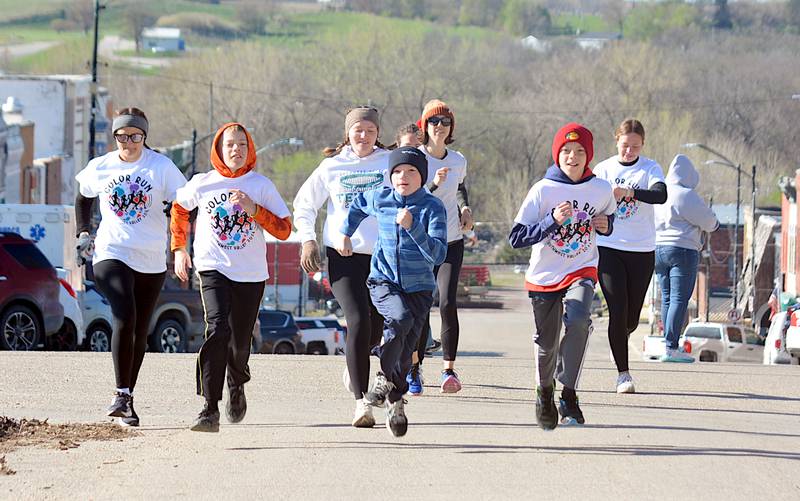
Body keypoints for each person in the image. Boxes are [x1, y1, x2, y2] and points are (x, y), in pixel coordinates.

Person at [170, 123, 292, 432]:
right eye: (229, 145)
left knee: (240, 341)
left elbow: (284, 228)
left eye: (241, 144)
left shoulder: (261, 186)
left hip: (250, 274)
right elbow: (179, 210)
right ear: (219, 150)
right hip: (213, 268)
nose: (236, 149)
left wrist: (255, 210)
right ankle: (209, 407)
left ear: (249, 149)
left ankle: (236, 382)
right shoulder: (203, 183)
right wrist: (179, 249)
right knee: (218, 328)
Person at [75, 107, 187, 427]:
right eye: (122, 137)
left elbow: (184, 202)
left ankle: (127, 398)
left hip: (151, 258)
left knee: (140, 329)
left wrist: (177, 216)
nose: (128, 143)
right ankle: (120, 393)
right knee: (125, 314)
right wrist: (83, 231)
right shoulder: (102, 166)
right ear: (115, 137)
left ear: (144, 137)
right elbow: (83, 196)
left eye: (135, 136)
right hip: (111, 251)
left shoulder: (161, 167)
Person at [509, 123, 616, 430]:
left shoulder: (601, 188)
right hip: (544, 275)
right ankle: (544, 392)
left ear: (589, 156)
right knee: (547, 341)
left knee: (580, 319)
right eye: (566, 151)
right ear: (557, 155)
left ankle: (568, 393)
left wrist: (606, 225)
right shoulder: (543, 190)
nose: (573, 157)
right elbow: (516, 237)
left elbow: (610, 219)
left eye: (580, 151)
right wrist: (551, 221)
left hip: (581, 268)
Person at [339, 146, 447, 436]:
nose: (403, 176)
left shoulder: (432, 207)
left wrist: (414, 227)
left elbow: (437, 255)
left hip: (420, 288)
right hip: (383, 281)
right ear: (390, 175)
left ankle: (395, 398)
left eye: (411, 171)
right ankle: (384, 380)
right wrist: (345, 233)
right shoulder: (381, 197)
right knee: (399, 319)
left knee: (408, 348)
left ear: (422, 177)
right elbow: (358, 206)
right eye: (397, 171)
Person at [293, 106, 390, 428]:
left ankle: (355, 361)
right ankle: (362, 402)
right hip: (343, 257)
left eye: (370, 131)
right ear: (348, 133)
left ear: (378, 134)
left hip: (383, 258)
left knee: (375, 329)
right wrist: (308, 240)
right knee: (359, 320)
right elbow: (305, 204)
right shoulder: (332, 166)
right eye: (358, 130)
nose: (364, 136)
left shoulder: (389, 162)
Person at [593, 118, 667, 393]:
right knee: (617, 308)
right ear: (617, 141)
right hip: (609, 246)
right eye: (625, 146)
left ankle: (619, 340)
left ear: (642, 145)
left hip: (641, 249)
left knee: (632, 319)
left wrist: (630, 192)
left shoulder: (650, 168)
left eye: (635, 147)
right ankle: (623, 375)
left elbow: (660, 195)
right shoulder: (603, 169)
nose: (629, 151)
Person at [411, 99, 473, 395]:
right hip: (422, 242)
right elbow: (409, 196)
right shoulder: (415, 157)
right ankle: (414, 367)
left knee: (447, 302)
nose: (439, 127)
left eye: (445, 123)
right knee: (421, 305)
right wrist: (433, 184)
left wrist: (465, 209)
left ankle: (449, 370)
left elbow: (460, 188)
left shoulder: (458, 160)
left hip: (451, 241)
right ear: (424, 126)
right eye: (434, 122)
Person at [655, 154, 719, 363]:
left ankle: (668, 344)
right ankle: (672, 347)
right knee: (679, 299)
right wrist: (713, 225)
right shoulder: (685, 195)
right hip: (682, 250)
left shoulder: (660, 192)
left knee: (666, 298)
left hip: (657, 249)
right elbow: (710, 222)